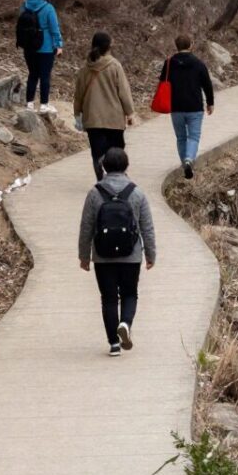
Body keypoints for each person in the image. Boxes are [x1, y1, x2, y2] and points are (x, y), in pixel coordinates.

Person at [78, 147, 156, 356]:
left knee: (109, 298)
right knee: (130, 294)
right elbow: (146, 226)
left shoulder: (95, 193)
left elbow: (86, 226)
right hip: (131, 255)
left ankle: (113, 343)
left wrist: (84, 256)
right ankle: (126, 324)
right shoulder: (137, 192)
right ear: (126, 166)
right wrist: (150, 254)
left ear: (104, 166)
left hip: (103, 256)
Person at [72, 31, 137, 178]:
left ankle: (101, 179)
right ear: (109, 46)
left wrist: (77, 114)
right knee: (116, 152)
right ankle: (117, 179)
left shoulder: (85, 69)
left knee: (97, 152)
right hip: (114, 118)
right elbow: (124, 92)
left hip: (93, 118)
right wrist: (130, 113)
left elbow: (79, 95)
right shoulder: (115, 66)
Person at [159, 34, 216, 180]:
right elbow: (207, 85)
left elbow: (162, 82)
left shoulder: (169, 63)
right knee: (194, 136)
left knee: (181, 137)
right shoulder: (198, 63)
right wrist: (210, 103)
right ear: (191, 45)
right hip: (194, 106)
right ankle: (189, 159)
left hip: (176, 107)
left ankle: (185, 164)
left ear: (176, 46)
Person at [14, 0, 62, 113]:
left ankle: (29, 104)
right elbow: (54, 28)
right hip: (45, 48)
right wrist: (59, 44)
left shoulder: (25, 5)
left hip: (28, 46)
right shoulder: (48, 8)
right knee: (45, 76)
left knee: (32, 74)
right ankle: (44, 105)